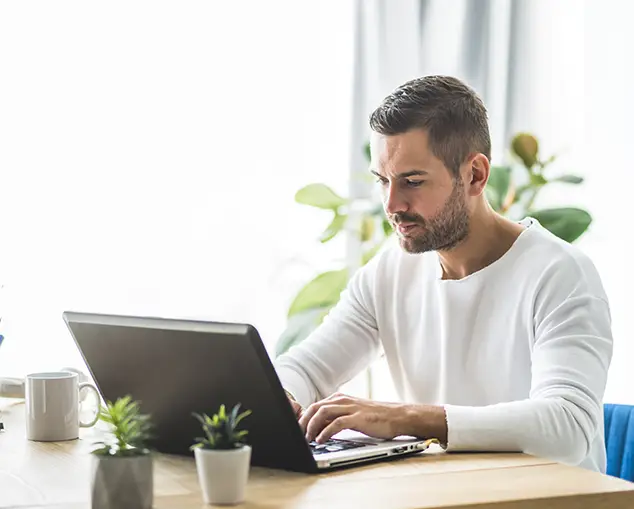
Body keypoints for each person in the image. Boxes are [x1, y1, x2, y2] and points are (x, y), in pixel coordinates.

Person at [274, 75, 613, 473]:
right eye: (382, 181)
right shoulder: (388, 273)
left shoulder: (560, 274)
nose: (391, 204)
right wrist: (279, 396)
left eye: (412, 181)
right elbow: (306, 368)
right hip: (446, 495)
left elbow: (568, 428)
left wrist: (407, 418)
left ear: (475, 175)